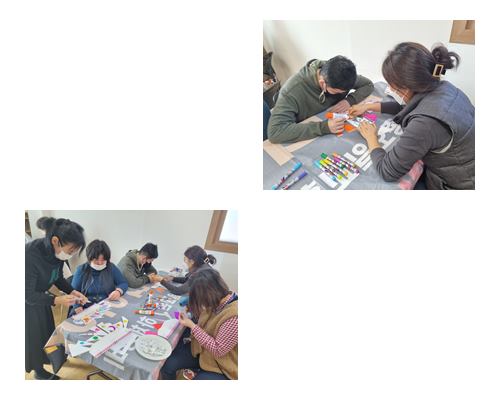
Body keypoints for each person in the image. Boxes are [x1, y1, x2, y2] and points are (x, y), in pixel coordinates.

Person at [350, 42, 474, 189]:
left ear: (407, 88)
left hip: (458, 183)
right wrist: (369, 106)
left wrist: (371, 138)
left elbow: (387, 171)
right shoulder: (445, 88)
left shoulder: (425, 124)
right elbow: (411, 106)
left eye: (392, 86)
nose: (389, 89)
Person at [25, 217, 88, 379]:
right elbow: (28, 295)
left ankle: (48, 359)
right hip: (27, 302)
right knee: (33, 337)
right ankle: (38, 371)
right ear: (55, 241)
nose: (71, 254)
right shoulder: (30, 255)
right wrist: (57, 300)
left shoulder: (56, 254)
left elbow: (57, 277)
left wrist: (72, 291)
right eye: (71, 250)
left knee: (46, 332)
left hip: (42, 298)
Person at [267, 56, 374, 143]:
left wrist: (349, 100)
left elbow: (368, 84)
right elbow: (275, 132)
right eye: (337, 92)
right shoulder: (291, 91)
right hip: (308, 130)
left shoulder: (341, 74)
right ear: (323, 83)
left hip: (332, 120)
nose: (342, 94)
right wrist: (324, 127)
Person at [161, 269, 238, 380]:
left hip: (221, 364)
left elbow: (218, 350)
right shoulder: (219, 299)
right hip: (201, 350)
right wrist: (191, 307)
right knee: (168, 364)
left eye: (199, 298)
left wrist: (192, 326)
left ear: (208, 295)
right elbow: (207, 318)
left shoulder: (234, 317)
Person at [70, 240, 128, 316]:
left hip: (107, 305)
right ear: (89, 258)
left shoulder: (111, 267)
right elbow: (73, 292)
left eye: (103, 260)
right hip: (86, 307)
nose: (100, 263)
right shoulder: (81, 270)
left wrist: (118, 291)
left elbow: (123, 283)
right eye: (96, 261)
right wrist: (77, 306)